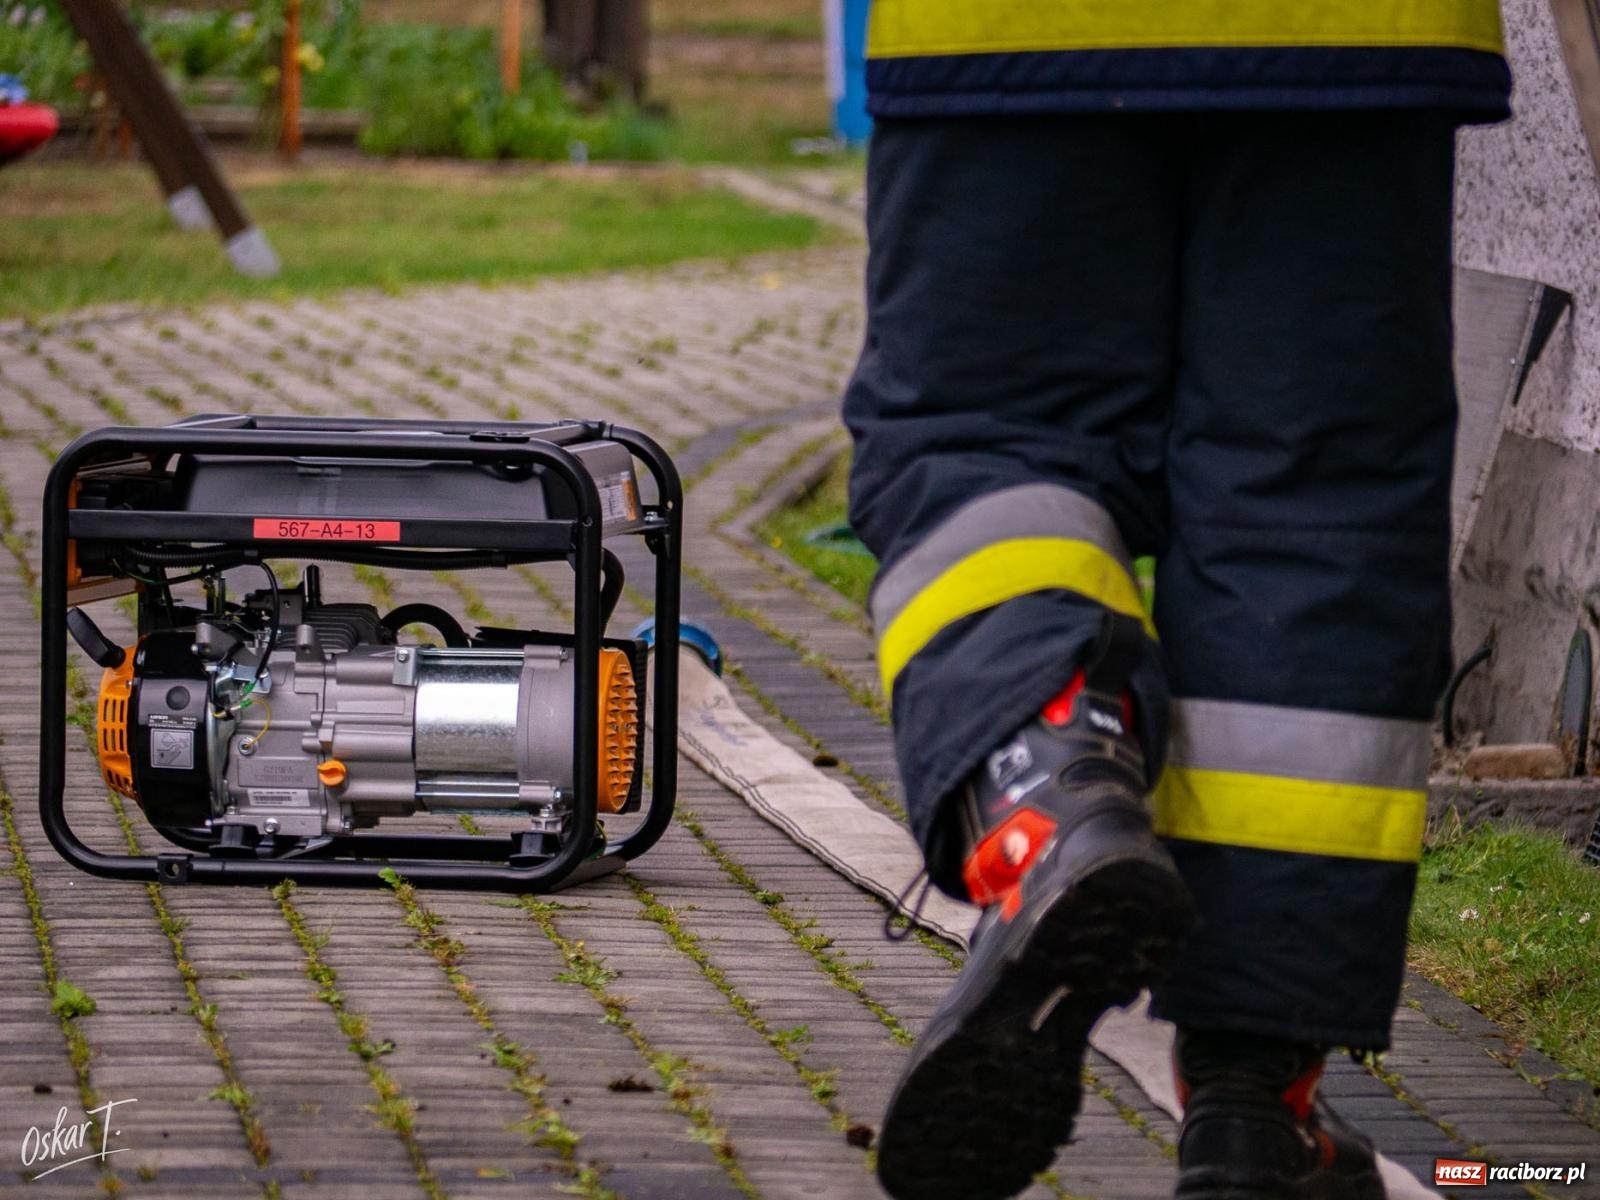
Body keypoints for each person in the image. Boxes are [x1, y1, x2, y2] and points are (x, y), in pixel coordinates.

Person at [842, 5, 1512, 1199]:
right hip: (1357, 33)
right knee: (1311, 513)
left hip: (1005, 31)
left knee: (987, 443)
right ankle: (1257, 1097)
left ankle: (1046, 789)